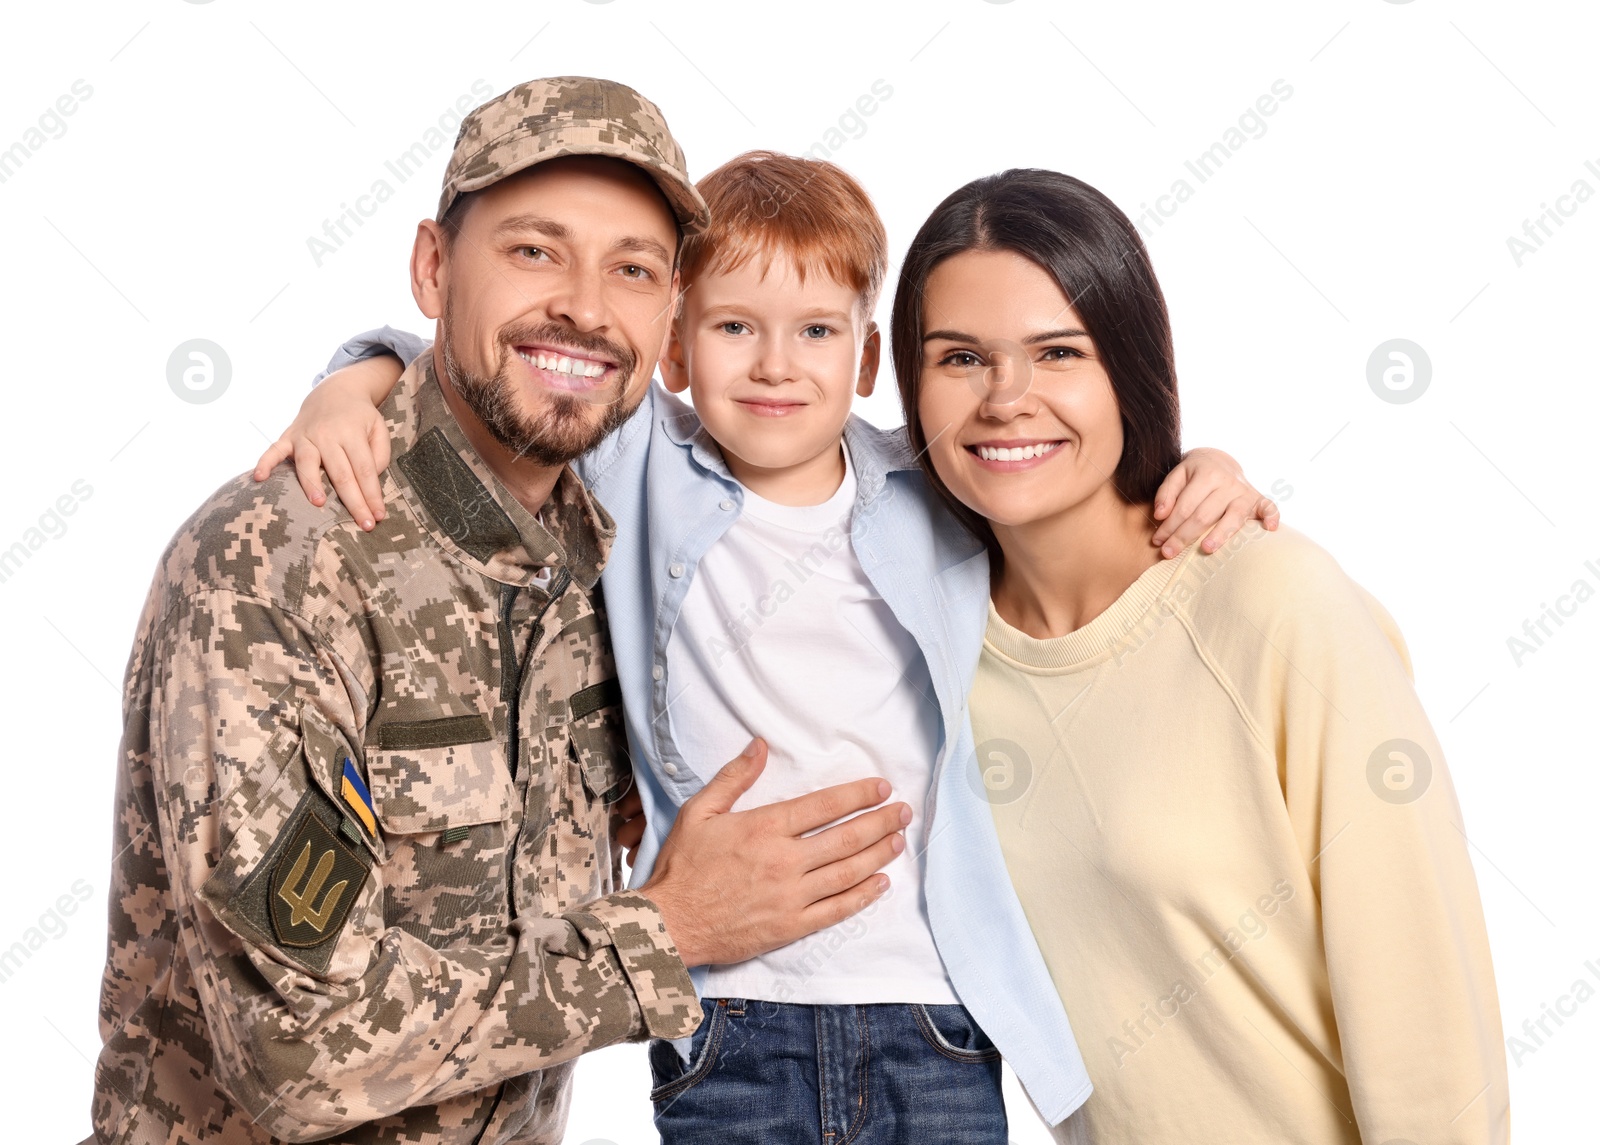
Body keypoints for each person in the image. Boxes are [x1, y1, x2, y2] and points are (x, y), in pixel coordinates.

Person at [255, 151, 1277, 1137]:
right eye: (736, 326)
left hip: (931, 1007)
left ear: (868, 358)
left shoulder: (934, 489)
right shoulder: (642, 456)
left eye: (818, 330)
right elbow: (464, 355)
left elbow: (1061, 480)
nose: (777, 364)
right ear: (676, 350)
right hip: (727, 1013)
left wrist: (1210, 466)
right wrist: (348, 389)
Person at [90, 78, 920, 1145]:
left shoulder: (602, 562)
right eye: (535, 250)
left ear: (669, 312)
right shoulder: (283, 564)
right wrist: (669, 927)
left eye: (633, 268)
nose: (584, 305)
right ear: (434, 269)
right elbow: (297, 1043)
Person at [890, 167, 1510, 1143]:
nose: (1005, 398)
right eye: (960, 357)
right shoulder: (930, 649)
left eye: (1059, 352)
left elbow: (1425, 1007)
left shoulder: (1273, 603)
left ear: (1128, 366)